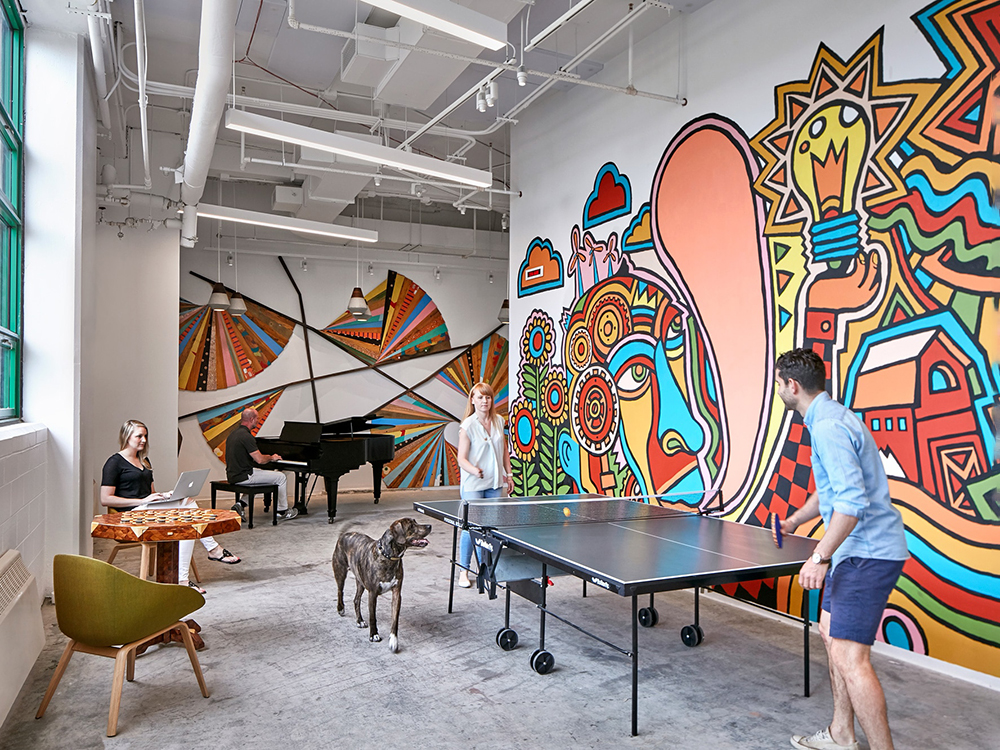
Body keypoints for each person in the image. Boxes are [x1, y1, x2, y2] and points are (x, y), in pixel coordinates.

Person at [771, 349, 908, 750]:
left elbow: (850, 504)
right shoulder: (832, 418)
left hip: (866, 554)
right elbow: (831, 490)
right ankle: (841, 733)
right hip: (855, 552)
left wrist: (819, 557)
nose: (778, 390)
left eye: (778, 383)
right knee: (831, 636)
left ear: (792, 385)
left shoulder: (829, 427)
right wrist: (795, 520)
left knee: (851, 659)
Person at [101, 419, 242, 593]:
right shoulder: (114, 463)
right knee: (187, 518)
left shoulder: (144, 461)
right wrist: (142, 501)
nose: (144, 440)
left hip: (147, 509)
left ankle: (201, 560)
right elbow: (105, 499)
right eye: (139, 436)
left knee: (188, 502)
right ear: (127, 436)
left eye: (145, 436)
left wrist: (164, 497)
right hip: (130, 514)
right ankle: (198, 563)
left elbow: (151, 494)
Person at [455, 382, 513, 588]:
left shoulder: (499, 421)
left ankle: (485, 569)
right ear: (473, 400)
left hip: (495, 483)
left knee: (488, 529)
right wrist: (474, 470)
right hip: (473, 484)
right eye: (480, 397)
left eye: (487, 397)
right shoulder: (467, 426)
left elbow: (504, 450)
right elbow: (461, 459)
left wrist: (509, 475)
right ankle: (463, 571)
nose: (484, 401)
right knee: (470, 528)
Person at [226, 407, 297, 520]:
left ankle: (240, 504)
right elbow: (260, 460)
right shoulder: (247, 436)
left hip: (233, 474)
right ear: (251, 419)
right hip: (244, 476)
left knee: (260, 475)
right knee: (281, 477)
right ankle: (282, 511)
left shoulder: (233, 434)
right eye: (257, 419)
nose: (258, 421)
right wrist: (272, 457)